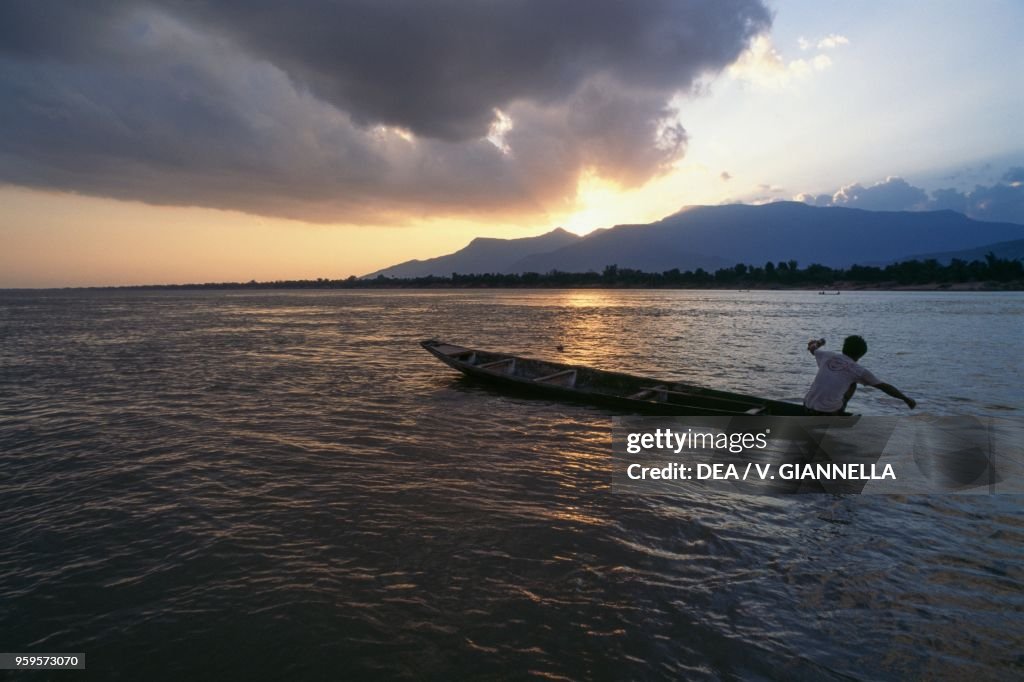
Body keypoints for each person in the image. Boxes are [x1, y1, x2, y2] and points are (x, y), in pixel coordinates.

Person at [803, 335, 916, 415]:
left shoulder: (827, 355)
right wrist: (906, 399)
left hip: (806, 405)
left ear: (844, 348)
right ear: (860, 355)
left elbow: (812, 347)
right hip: (826, 412)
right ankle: (838, 413)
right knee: (853, 383)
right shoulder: (858, 370)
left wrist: (819, 342)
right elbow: (884, 387)